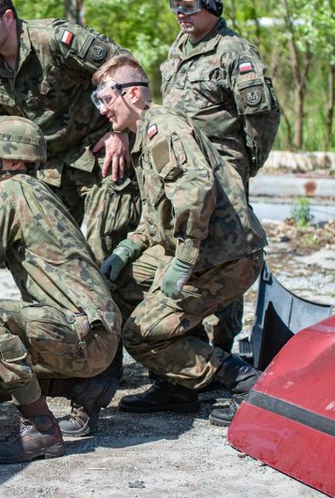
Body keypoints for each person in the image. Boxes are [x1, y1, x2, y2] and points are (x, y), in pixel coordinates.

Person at [93, 54, 266, 426]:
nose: (103, 110)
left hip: (225, 259)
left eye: (106, 99)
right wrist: (126, 250)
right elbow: (156, 218)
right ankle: (176, 386)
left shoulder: (163, 130)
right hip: (205, 253)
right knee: (120, 280)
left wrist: (183, 261)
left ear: (133, 94)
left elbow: (196, 190)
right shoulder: (145, 134)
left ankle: (244, 382)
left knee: (140, 335)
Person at [0, 116, 121, 463]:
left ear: (12, 160)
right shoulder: (37, 192)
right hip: (95, 335)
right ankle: (83, 389)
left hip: (83, 333)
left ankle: (42, 430)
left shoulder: (10, 191)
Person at [0, 0, 138, 264]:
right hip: (49, 169)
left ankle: (114, 306)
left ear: (8, 16)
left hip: (97, 156)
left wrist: (121, 131)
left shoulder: (54, 39)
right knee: (45, 254)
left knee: (102, 249)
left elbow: (125, 67)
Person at [160, 0, 281, 355]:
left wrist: (244, 165)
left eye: (189, 6)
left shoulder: (235, 52)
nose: (181, 14)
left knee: (228, 256)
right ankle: (189, 346)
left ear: (211, 4)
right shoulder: (180, 46)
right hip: (183, 171)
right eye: (175, 6)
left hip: (221, 172)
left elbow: (262, 116)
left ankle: (224, 348)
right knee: (185, 249)